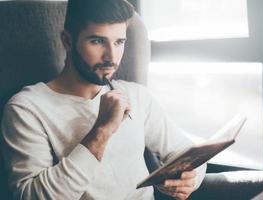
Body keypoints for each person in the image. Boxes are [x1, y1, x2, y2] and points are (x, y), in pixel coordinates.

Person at [1, 0, 206, 199]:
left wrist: (190, 178)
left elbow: (189, 153)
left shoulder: (137, 95)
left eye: (119, 42)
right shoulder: (26, 108)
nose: (111, 56)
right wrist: (102, 130)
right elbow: (32, 196)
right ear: (67, 41)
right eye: (97, 41)